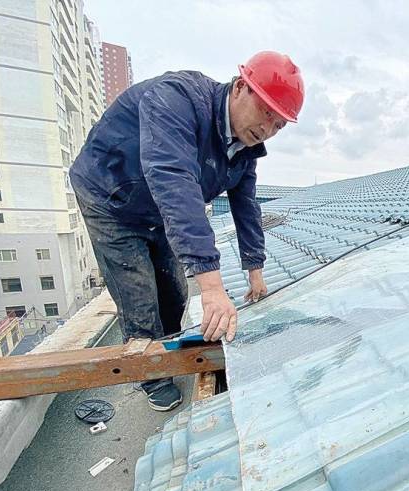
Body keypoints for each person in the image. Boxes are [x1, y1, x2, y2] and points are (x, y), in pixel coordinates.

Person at [70, 51, 304, 411]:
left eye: (279, 125)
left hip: (156, 210)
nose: (268, 129)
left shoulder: (245, 149)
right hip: (110, 198)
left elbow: (246, 205)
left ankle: (164, 350)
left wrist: (254, 269)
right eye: (266, 112)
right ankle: (149, 375)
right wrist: (212, 288)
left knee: (175, 292)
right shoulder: (177, 100)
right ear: (241, 87)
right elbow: (173, 181)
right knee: (139, 296)